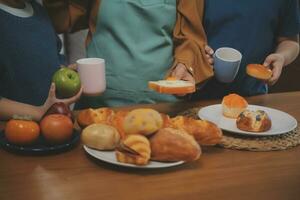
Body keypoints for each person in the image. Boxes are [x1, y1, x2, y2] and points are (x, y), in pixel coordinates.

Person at [43, 0, 213, 108]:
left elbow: (191, 35)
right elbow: (62, 20)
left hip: (163, 107)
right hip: (98, 106)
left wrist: (185, 64)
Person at [195, 0, 300, 99]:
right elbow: (186, 35)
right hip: (199, 96)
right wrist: (194, 52)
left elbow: (290, 41)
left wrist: (282, 56)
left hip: (254, 98)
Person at [0, 0, 82, 121]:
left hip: (54, 126)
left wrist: (65, 70)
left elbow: (50, 56)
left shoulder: (39, 11)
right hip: (14, 131)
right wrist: (38, 113)